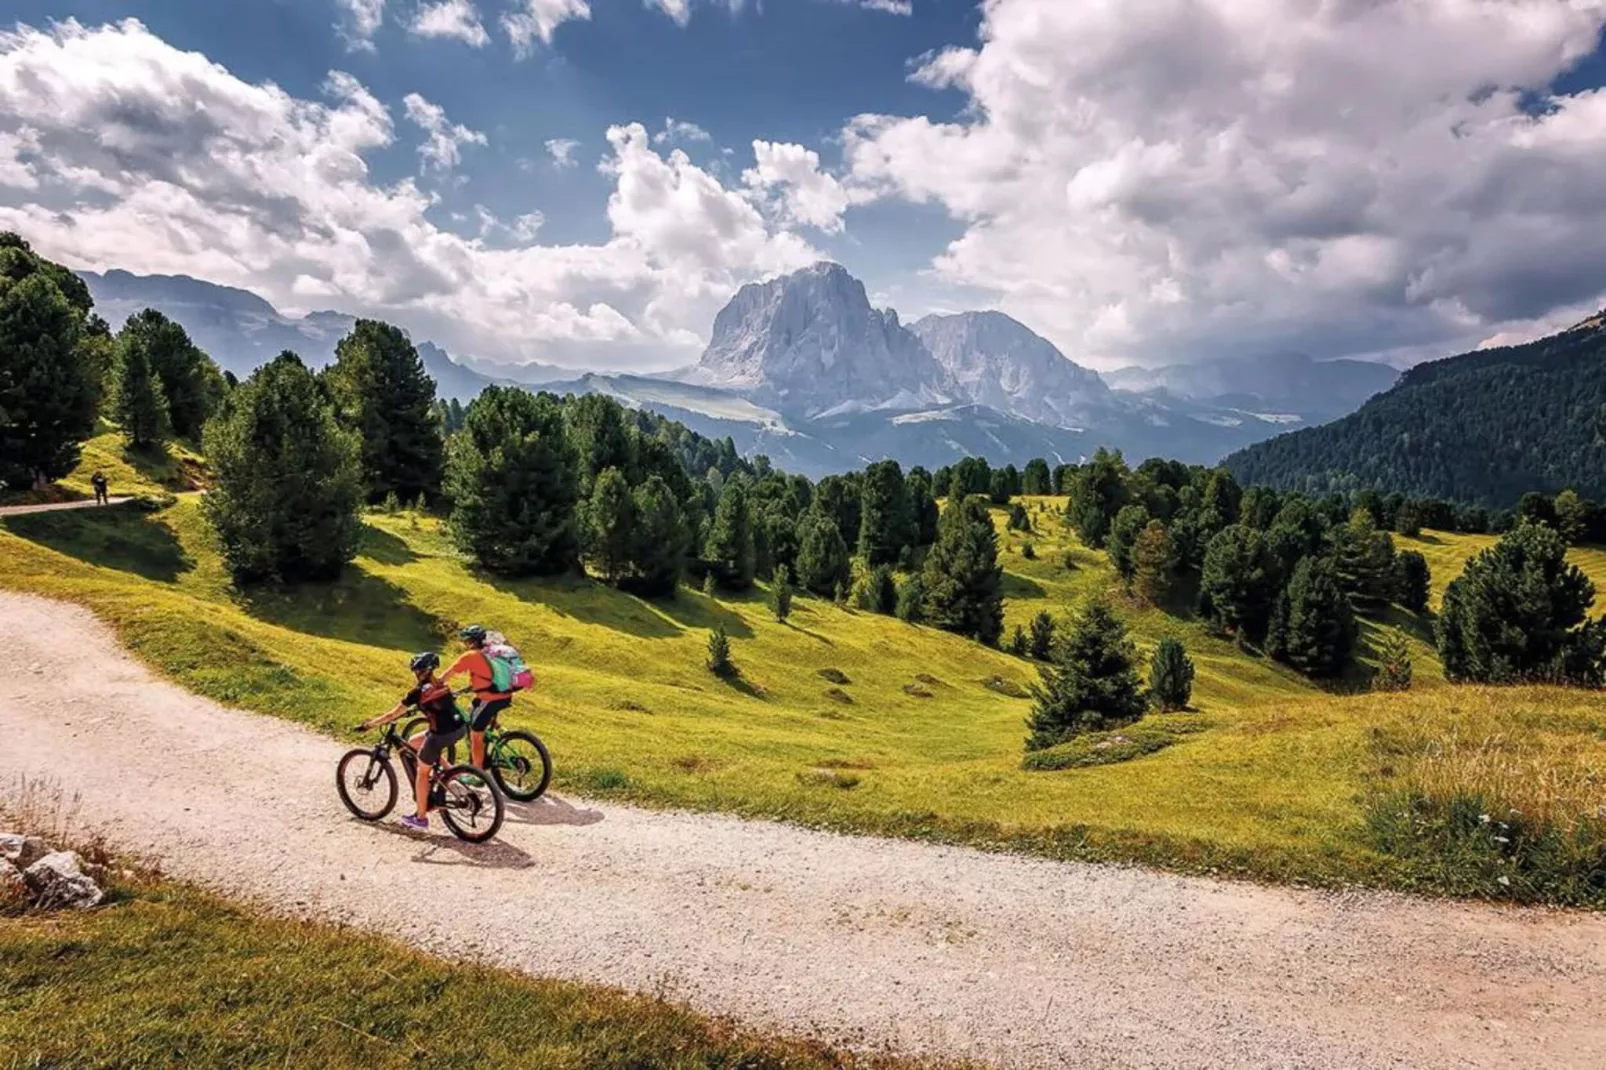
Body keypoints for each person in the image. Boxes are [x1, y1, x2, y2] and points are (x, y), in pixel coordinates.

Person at [359, 651, 466, 832]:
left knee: (422, 773)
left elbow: (392, 714)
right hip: (459, 728)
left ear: (418, 672)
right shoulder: (441, 683)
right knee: (414, 742)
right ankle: (452, 775)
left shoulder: (416, 693)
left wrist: (369, 725)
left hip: (440, 734)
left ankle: (421, 818)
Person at [440, 624, 511, 771]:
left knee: (475, 733)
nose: (465, 644)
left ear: (472, 642)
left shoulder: (470, 656)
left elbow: (446, 676)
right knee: (473, 708)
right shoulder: (493, 653)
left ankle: (477, 772)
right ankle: (500, 730)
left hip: (490, 698)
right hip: (505, 694)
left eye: (466, 641)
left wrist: (433, 686)